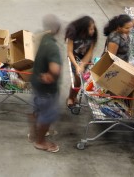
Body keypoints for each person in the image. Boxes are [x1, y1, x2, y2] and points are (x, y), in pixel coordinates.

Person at [29, 15, 62, 153]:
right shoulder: (53, 47)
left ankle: (33, 134)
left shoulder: (40, 37)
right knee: (47, 115)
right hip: (47, 89)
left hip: (36, 83)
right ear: (57, 29)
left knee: (37, 109)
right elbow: (55, 68)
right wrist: (51, 75)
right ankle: (40, 141)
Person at [65, 15, 97, 107]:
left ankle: (74, 96)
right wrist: (76, 65)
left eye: (93, 29)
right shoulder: (72, 34)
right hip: (74, 57)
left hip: (85, 59)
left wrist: (82, 65)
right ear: (83, 29)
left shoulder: (93, 35)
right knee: (78, 79)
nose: (93, 31)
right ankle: (71, 97)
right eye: (90, 29)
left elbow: (90, 52)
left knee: (80, 79)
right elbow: (70, 52)